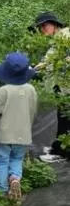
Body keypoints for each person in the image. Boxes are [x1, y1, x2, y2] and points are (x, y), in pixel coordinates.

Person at [0, 53, 38, 200]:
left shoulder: (4, 90)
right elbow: (33, 110)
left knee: (1, 159)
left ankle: (1, 190)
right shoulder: (31, 90)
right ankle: (15, 179)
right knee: (17, 158)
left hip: (4, 133)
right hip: (23, 132)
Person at [33, 12, 69, 162]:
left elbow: (55, 60)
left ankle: (63, 149)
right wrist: (35, 68)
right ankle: (60, 147)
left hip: (66, 85)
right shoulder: (58, 38)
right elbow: (49, 59)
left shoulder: (65, 35)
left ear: (54, 24)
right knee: (63, 116)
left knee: (65, 117)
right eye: (41, 27)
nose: (43, 30)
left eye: (45, 26)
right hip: (62, 86)